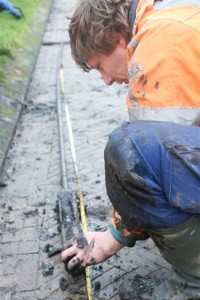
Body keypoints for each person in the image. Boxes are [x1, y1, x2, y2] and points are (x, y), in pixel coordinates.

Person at [61, 0, 200, 299]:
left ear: (116, 36)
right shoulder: (170, 18)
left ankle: (193, 284)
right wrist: (118, 232)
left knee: (129, 148)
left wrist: (117, 234)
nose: (107, 80)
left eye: (99, 66)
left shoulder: (164, 43)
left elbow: (152, 162)